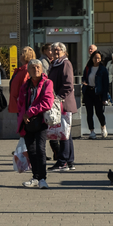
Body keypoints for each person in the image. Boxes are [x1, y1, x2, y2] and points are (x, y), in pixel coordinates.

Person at [17, 59, 55, 189]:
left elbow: (47, 102)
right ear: (28, 71)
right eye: (32, 67)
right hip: (28, 122)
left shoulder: (47, 83)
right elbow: (20, 103)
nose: (36, 69)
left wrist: (30, 112)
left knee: (40, 149)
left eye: (38, 67)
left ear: (42, 69)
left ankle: (43, 178)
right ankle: (35, 177)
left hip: (41, 120)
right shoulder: (25, 86)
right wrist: (23, 116)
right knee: (31, 151)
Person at [47, 42, 77, 171]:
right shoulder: (55, 63)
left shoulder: (65, 63)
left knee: (63, 133)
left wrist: (58, 98)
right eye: (53, 50)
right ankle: (69, 161)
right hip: (60, 103)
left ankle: (62, 161)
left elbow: (69, 84)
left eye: (58, 50)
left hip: (63, 104)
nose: (55, 52)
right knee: (66, 133)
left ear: (64, 51)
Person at [82, 50, 110, 139]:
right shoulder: (88, 68)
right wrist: (84, 82)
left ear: (101, 59)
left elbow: (106, 84)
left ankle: (103, 127)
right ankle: (92, 131)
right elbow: (84, 77)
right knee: (89, 113)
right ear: (92, 58)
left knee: (99, 112)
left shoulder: (103, 69)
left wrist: (104, 97)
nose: (96, 60)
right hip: (88, 92)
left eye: (98, 58)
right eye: (95, 58)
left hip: (98, 93)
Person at [9, 47, 35, 114]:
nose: (19, 56)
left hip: (22, 103)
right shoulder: (22, 69)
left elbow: (25, 86)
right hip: (18, 102)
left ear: (26, 56)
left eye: (21, 54)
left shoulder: (26, 70)